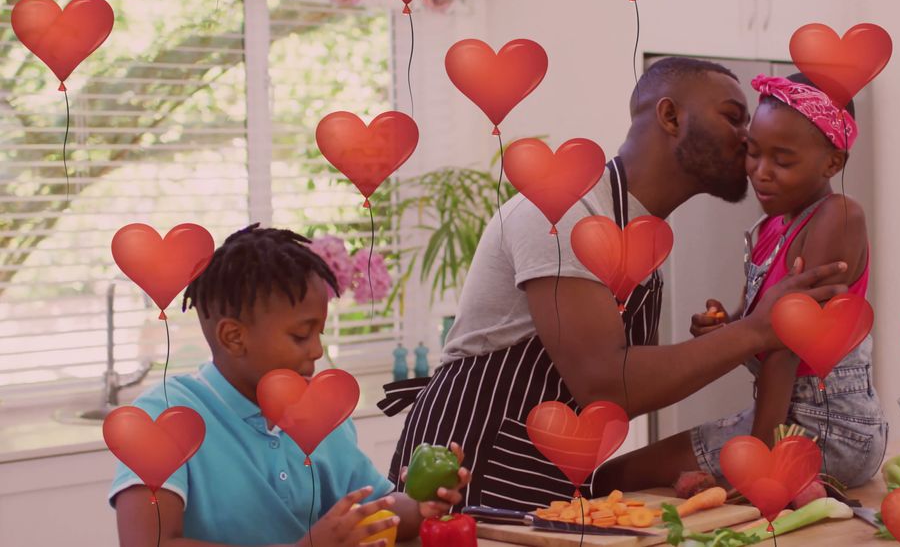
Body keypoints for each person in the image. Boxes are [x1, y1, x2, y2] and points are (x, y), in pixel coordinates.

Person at [378, 57, 851, 510]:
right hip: (462, 481)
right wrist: (754, 331)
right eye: (733, 116)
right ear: (670, 116)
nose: (747, 137)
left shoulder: (639, 239)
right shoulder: (564, 212)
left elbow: (624, 390)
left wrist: (741, 338)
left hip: (547, 487)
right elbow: (607, 385)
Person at [605, 73, 888, 492]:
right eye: (753, 153)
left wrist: (761, 464)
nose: (761, 172)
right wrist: (730, 328)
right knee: (614, 477)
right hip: (785, 418)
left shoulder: (838, 215)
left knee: (614, 479)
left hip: (829, 429)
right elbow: (763, 328)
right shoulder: (771, 226)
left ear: (832, 163)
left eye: (783, 161)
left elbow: (786, 345)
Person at [109, 225, 471, 547]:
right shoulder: (160, 418)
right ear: (234, 337)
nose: (316, 351)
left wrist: (424, 506)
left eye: (319, 333)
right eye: (300, 335)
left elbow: (377, 511)